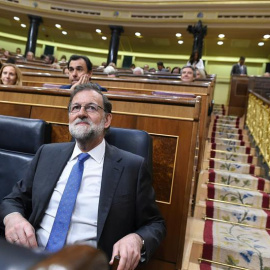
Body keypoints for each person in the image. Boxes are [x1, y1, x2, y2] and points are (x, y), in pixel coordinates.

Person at [0, 83, 166, 270]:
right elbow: (14, 198)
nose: (81, 113)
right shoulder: (47, 154)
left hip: (87, 264)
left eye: (91, 108)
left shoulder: (132, 166)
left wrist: (137, 239)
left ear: (107, 120)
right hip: (31, 257)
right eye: (75, 108)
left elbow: (155, 223)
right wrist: (13, 218)